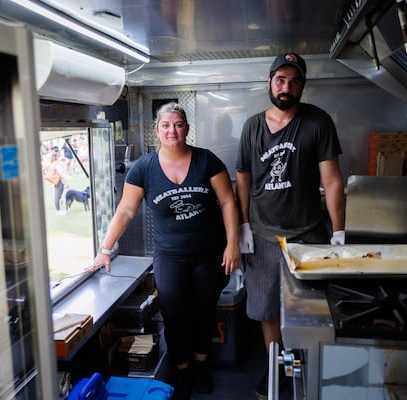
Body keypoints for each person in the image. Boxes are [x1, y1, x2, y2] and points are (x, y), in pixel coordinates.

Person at [90, 102, 241, 400]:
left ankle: (200, 365)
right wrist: (105, 249)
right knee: (174, 314)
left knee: (203, 313)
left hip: (209, 253)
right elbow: (126, 209)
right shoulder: (145, 168)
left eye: (179, 124)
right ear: (156, 130)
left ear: (187, 128)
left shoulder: (206, 160)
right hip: (170, 255)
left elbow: (227, 202)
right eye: (166, 125)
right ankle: (181, 369)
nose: (173, 131)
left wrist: (233, 244)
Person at [235, 53, 345, 400]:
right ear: (269, 82)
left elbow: (332, 181)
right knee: (267, 309)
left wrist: (338, 232)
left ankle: (305, 368)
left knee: (309, 310)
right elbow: (242, 177)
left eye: (294, 81)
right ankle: (276, 367)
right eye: (280, 79)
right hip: (264, 235)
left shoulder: (318, 122)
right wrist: (242, 225)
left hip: (308, 234)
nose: (287, 87)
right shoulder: (252, 126)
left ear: (303, 85)